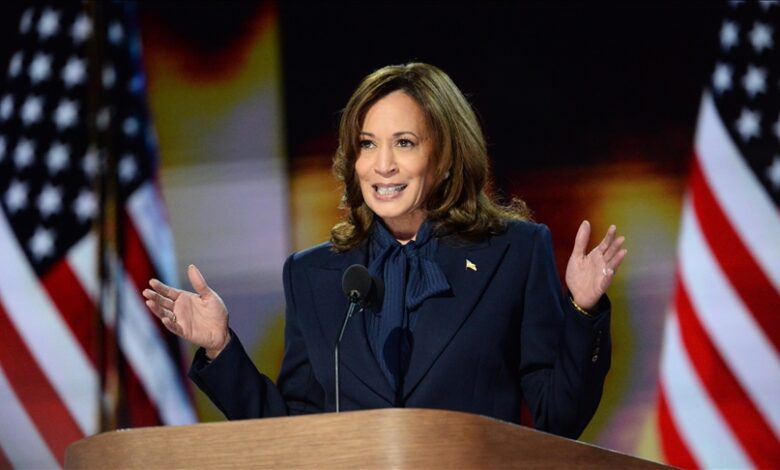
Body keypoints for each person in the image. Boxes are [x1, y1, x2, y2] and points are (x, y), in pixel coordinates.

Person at [143, 63, 626, 439]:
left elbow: (558, 417)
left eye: (405, 143)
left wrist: (583, 310)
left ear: (444, 157)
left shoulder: (512, 253)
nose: (383, 165)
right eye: (368, 145)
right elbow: (295, 434)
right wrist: (220, 348)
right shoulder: (313, 275)